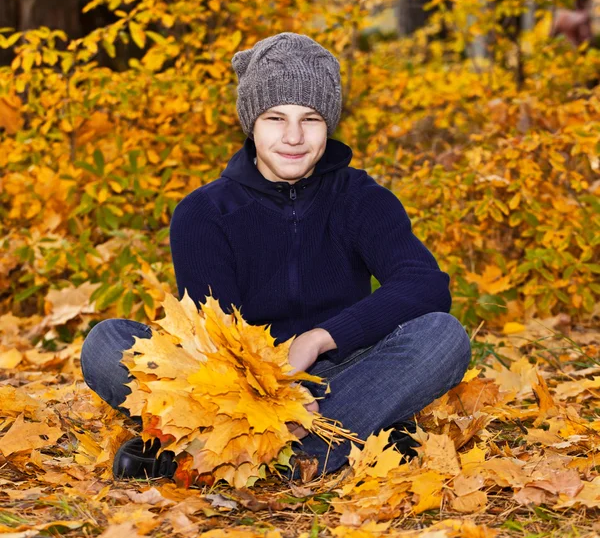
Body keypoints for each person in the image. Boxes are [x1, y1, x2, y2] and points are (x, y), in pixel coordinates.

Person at [80, 32, 471, 482]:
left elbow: (424, 285)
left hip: (342, 370)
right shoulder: (204, 213)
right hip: (234, 385)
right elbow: (216, 340)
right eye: (275, 117)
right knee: (107, 343)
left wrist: (322, 337)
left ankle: (221, 453)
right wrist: (277, 394)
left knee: (444, 336)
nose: (293, 136)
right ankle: (334, 440)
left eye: (310, 118)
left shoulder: (361, 198)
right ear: (251, 123)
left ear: (330, 124)